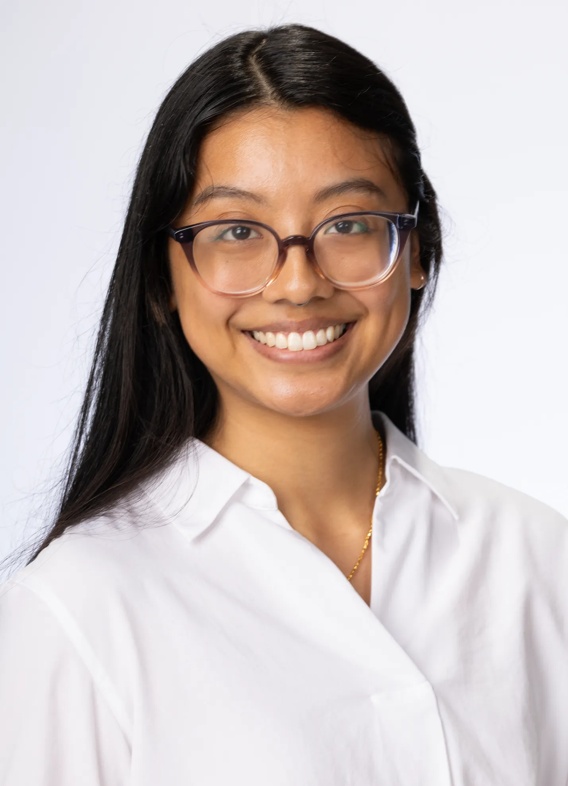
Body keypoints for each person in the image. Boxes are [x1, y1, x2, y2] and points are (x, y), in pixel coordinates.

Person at [0, 23, 566, 786]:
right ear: (164, 278)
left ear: (419, 252)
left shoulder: (536, 560)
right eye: (237, 230)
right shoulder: (79, 609)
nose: (297, 283)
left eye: (349, 225)